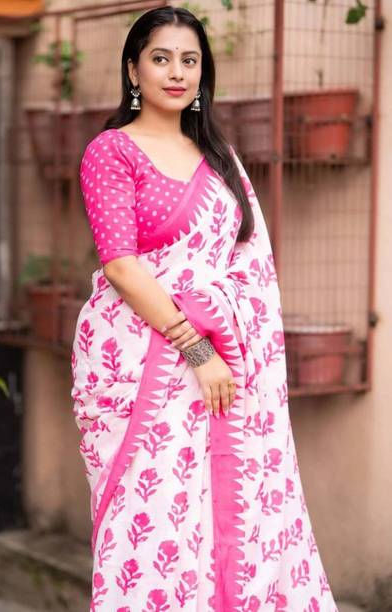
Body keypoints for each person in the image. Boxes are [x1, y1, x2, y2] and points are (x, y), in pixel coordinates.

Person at [70, 6, 338, 611]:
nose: (176, 72)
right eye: (161, 58)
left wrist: (221, 344)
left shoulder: (219, 158)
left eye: (189, 60)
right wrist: (196, 348)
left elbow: (246, 265)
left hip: (226, 363)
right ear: (133, 70)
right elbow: (121, 266)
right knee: (156, 520)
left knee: (228, 512)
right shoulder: (112, 152)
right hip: (143, 363)